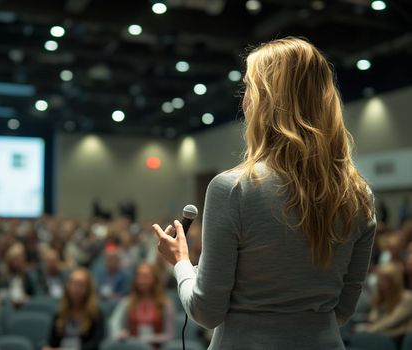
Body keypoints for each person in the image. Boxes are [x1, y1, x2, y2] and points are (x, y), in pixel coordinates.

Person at [152, 37, 376, 350]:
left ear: (266, 101)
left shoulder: (233, 188)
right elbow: (342, 311)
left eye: (248, 88)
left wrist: (180, 263)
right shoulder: (358, 194)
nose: (243, 100)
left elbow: (206, 311)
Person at [109, 263, 175, 349]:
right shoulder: (127, 302)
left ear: (155, 279)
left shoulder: (165, 304)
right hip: (132, 347)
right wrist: (120, 334)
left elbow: (170, 335)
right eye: (138, 276)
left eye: (145, 276)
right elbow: (114, 323)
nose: (141, 280)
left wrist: (148, 339)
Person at [43, 268, 104, 350]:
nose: (76, 289)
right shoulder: (60, 313)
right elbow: (52, 342)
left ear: (88, 289)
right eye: (73, 284)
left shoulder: (96, 314)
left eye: (81, 285)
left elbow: (95, 344)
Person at [364, 263, 412, 347]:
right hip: (379, 333)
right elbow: (372, 317)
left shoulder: (407, 298)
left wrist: (371, 329)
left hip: (397, 338)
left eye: (384, 280)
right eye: (379, 279)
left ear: (394, 281)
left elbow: (392, 320)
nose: (380, 283)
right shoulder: (380, 296)